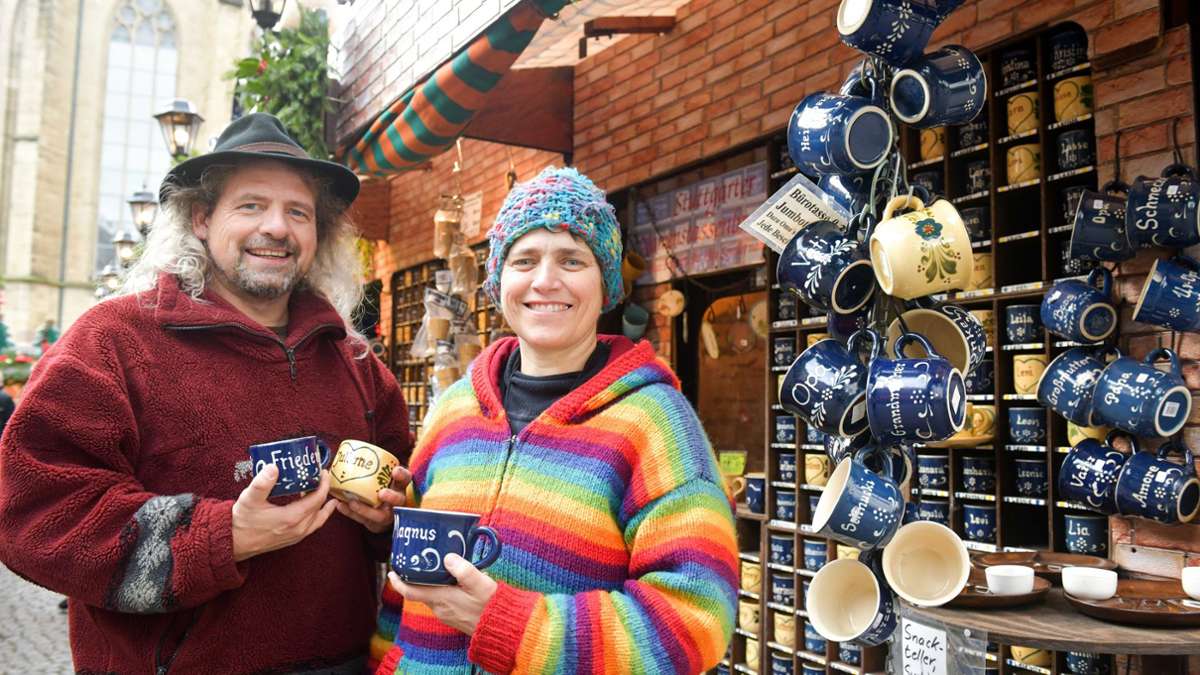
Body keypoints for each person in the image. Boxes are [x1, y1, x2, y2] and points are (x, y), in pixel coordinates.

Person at [0, 113, 412, 674]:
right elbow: (37, 511)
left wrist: (387, 517)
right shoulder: (115, 340)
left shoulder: (355, 362)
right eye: (251, 206)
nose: (277, 227)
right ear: (200, 217)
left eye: (298, 212)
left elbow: (409, 502)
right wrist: (222, 537)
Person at [375, 167, 738, 675]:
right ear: (499, 279)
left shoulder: (655, 424)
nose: (545, 280)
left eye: (572, 260)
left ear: (605, 283)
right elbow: (405, 588)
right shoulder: (453, 410)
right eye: (525, 260)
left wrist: (506, 623)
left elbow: (694, 620)